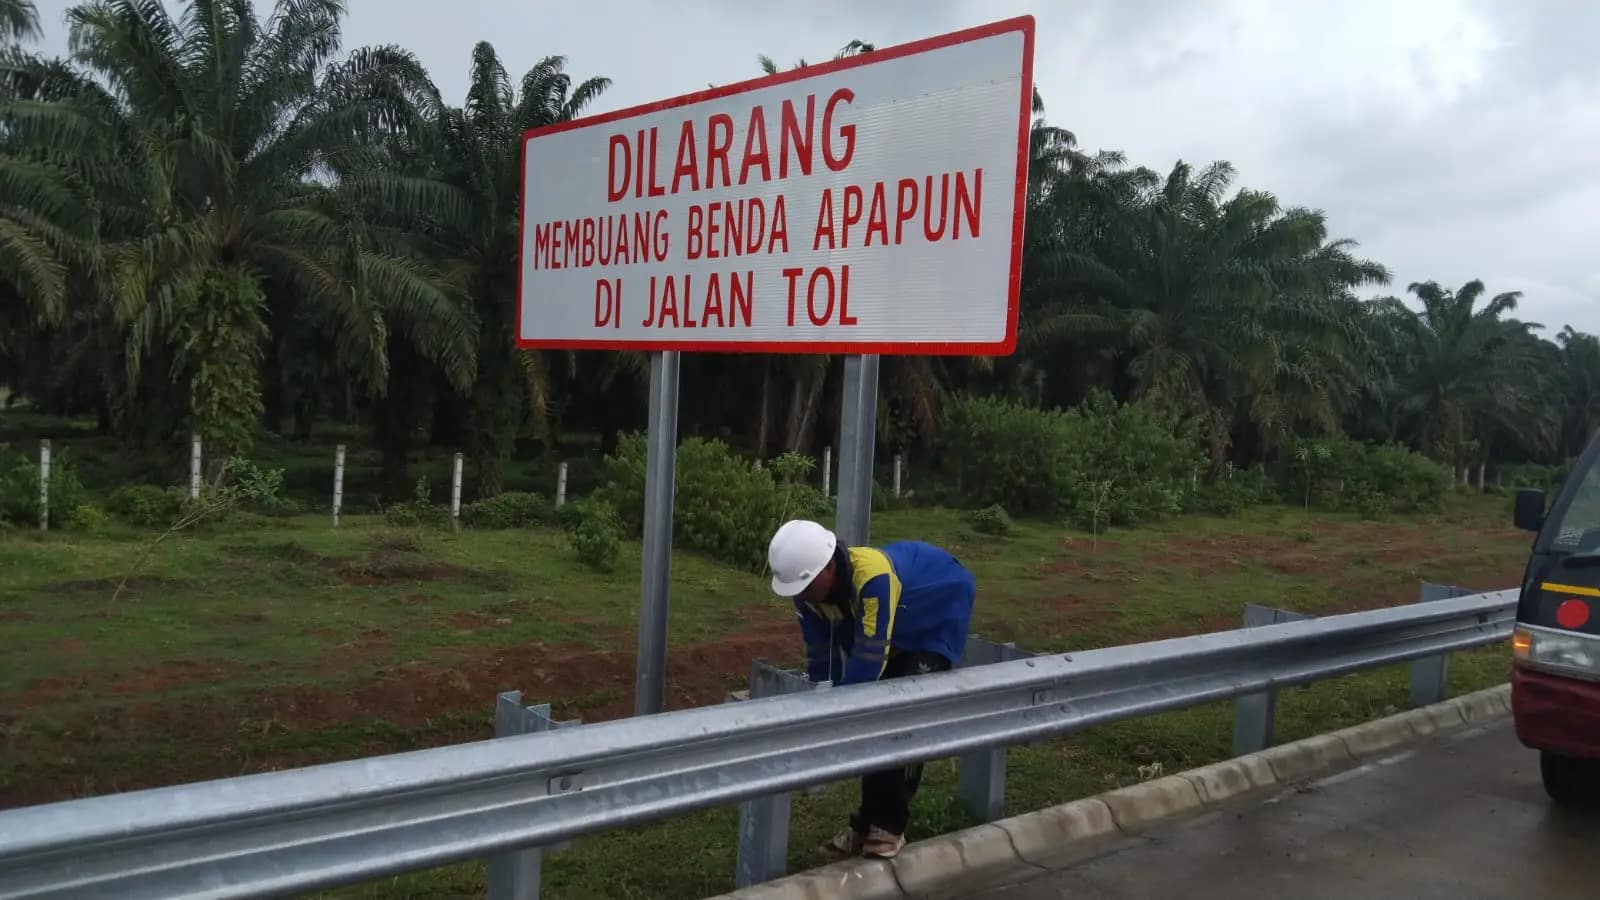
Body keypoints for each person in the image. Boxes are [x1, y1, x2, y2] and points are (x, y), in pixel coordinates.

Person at [766, 518, 976, 860]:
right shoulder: (806, 591)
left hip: (937, 608)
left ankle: (890, 825)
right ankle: (865, 823)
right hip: (894, 622)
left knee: (899, 720)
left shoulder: (873, 578)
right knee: (874, 719)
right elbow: (821, 653)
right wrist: (822, 697)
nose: (801, 596)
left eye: (805, 587)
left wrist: (844, 712)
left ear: (830, 567)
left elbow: (868, 657)